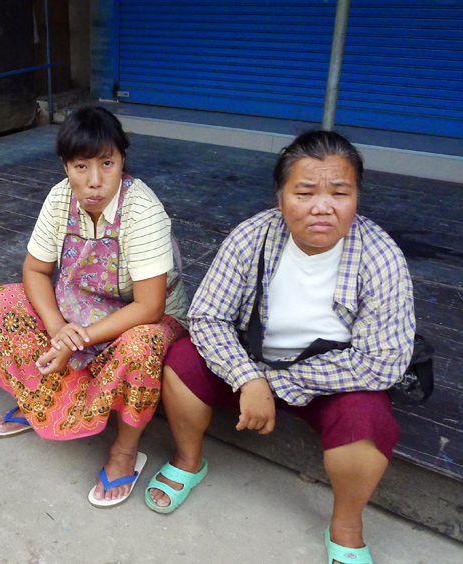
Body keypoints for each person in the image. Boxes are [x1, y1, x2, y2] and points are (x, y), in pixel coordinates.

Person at [145, 131, 414, 564]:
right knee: (182, 360)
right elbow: (206, 316)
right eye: (305, 192)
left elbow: (384, 361)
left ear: (356, 197)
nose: (323, 206)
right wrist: (248, 376)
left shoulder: (380, 255)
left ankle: (346, 524)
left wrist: (271, 383)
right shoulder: (253, 235)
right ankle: (188, 460)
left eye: (340, 192)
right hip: (252, 365)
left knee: (368, 421)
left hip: (332, 379)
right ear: (281, 195)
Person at [0, 106, 189, 507]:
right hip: (79, 307)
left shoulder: (141, 208)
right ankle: (38, 401)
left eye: (107, 164)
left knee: (141, 346)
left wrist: (77, 339)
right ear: (65, 166)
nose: (94, 181)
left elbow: (149, 305)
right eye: (81, 166)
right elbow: (35, 270)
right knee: (5, 301)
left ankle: (126, 450)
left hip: (147, 317)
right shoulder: (60, 198)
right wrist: (58, 327)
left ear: (122, 159)